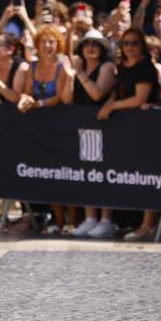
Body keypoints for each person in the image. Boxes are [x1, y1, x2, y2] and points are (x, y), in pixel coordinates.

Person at [97, 27, 159, 241]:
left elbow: (139, 99)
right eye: (126, 43)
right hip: (124, 128)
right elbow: (120, 91)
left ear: (142, 46)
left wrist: (112, 107)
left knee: (145, 175)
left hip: (145, 127)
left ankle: (147, 225)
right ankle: (125, 221)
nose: (130, 48)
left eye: (134, 43)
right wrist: (110, 102)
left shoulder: (145, 67)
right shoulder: (121, 67)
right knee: (124, 175)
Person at [18, 25, 69, 234]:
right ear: (37, 45)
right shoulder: (32, 66)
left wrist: (38, 104)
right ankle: (54, 220)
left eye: (51, 42)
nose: (47, 46)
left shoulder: (62, 66)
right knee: (47, 175)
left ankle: (69, 222)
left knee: (63, 174)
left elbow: (60, 97)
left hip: (60, 126)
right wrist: (24, 99)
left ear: (58, 45)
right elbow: (28, 92)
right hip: (38, 129)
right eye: (43, 42)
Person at [67, 29, 117, 238]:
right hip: (82, 124)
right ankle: (90, 218)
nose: (90, 48)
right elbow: (69, 97)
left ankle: (105, 219)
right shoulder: (79, 68)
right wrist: (71, 75)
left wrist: (80, 74)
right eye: (87, 44)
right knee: (85, 170)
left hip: (103, 125)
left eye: (95, 45)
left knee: (103, 171)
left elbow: (97, 93)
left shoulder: (106, 67)